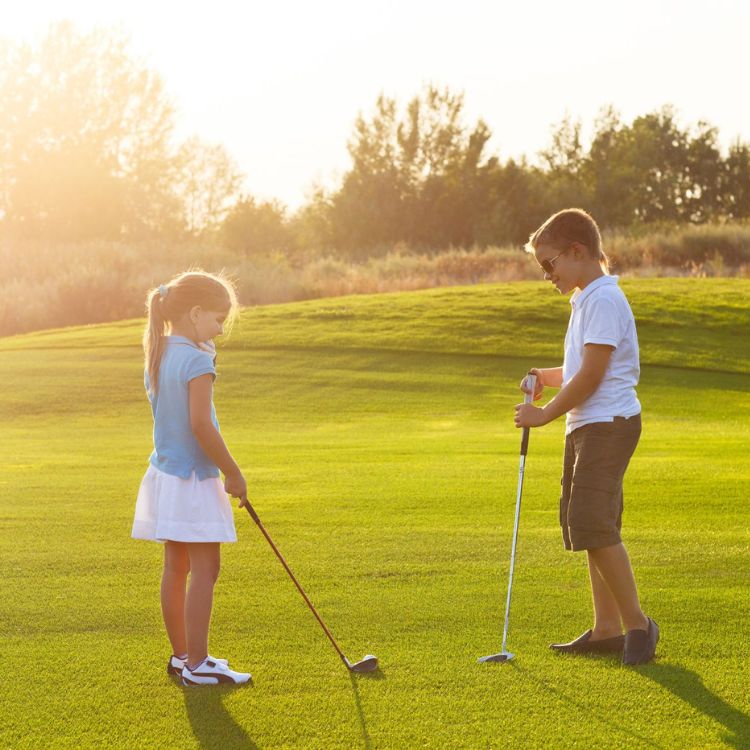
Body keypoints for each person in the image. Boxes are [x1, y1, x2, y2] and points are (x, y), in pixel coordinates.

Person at [514, 208, 658, 665]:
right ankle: (606, 629)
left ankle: (638, 625)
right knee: (586, 524)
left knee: (594, 521)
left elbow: (594, 375)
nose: (547, 275)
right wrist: (545, 376)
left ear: (577, 251)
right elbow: (578, 370)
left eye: (549, 264)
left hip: (607, 423)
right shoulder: (586, 300)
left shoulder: (603, 300)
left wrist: (544, 415)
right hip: (588, 424)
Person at [132, 270, 253, 686]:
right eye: (218, 320)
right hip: (195, 479)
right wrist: (233, 472)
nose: (220, 329)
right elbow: (202, 425)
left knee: (176, 565)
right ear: (196, 312)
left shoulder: (159, 350)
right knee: (206, 567)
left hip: (166, 474)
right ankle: (199, 665)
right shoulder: (198, 360)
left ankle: (183, 657)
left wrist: (202, 343)